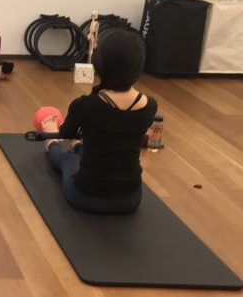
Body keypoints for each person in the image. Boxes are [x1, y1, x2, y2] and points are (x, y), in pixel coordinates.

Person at [40, 29, 158, 214]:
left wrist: (51, 131)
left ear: (100, 63)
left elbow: (66, 134)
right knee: (92, 150)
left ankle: (51, 144)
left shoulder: (85, 104)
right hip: (131, 199)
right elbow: (120, 133)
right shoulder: (150, 106)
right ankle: (79, 146)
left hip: (85, 197)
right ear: (138, 66)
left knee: (68, 158)